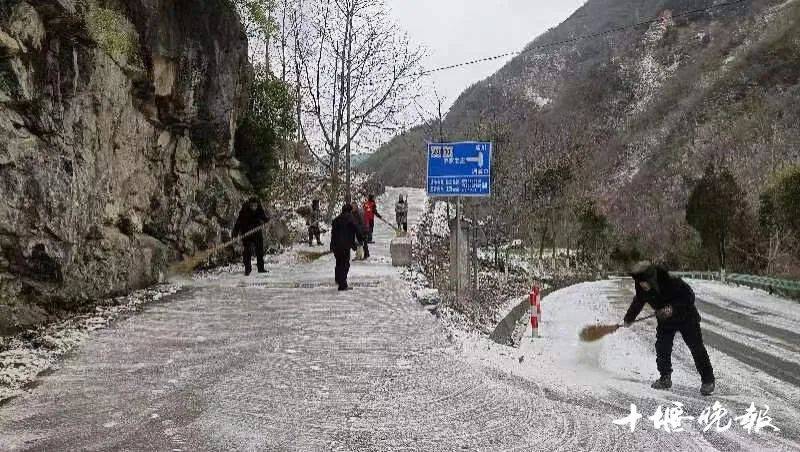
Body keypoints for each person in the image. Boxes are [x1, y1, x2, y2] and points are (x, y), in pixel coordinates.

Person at [624, 261, 716, 395]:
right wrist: (629, 318)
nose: (642, 285)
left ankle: (708, 380)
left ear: (651, 278)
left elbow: (689, 296)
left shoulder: (671, 280)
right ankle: (665, 378)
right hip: (665, 320)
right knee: (662, 347)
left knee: (696, 348)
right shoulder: (640, 285)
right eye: (639, 282)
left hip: (686, 317)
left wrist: (672, 308)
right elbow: (639, 300)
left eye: (644, 282)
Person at [233, 197, 270, 276]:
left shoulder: (259, 208)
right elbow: (238, 222)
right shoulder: (244, 209)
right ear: (249, 205)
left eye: (255, 206)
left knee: (259, 250)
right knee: (247, 251)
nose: (253, 207)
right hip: (246, 231)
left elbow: (263, 217)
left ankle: (261, 268)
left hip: (256, 230)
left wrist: (267, 220)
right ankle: (247, 269)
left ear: (257, 205)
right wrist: (235, 233)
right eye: (252, 206)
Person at [330, 204, 364, 291]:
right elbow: (357, 230)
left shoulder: (336, 220)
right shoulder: (350, 219)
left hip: (336, 245)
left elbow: (333, 234)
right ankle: (343, 285)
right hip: (345, 245)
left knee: (338, 263)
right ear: (349, 211)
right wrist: (360, 240)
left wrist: (332, 245)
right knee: (345, 264)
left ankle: (338, 279)